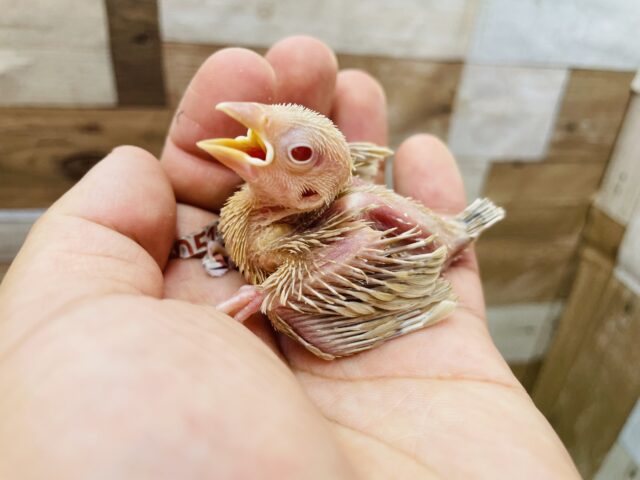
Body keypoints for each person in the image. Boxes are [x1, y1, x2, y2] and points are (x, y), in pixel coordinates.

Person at [0, 36, 580, 479]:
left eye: (297, 151)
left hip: (404, 253)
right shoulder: (261, 212)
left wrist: (271, 293)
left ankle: (458, 228)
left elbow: (363, 242)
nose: (250, 124)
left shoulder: (326, 236)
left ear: (308, 193)